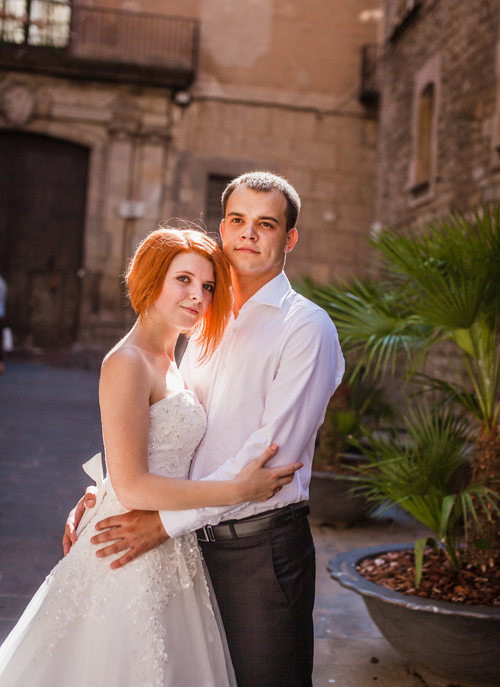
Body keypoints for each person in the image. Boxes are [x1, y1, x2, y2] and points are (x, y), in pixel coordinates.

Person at [66, 172, 345, 687]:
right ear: (223, 229)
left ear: (290, 239)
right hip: (187, 553)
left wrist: (161, 523)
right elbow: (167, 427)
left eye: (266, 224)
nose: (249, 234)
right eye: (238, 220)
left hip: (257, 551)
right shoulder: (201, 323)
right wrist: (111, 493)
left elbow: (268, 458)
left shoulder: (305, 328)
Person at [0, 228, 302, 687]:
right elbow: (134, 485)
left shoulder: (175, 359)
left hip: (172, 542)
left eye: (207, 286)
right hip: (126, 547)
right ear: (150, 279)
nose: (198, 295)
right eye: (183, 279)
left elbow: (150, 453)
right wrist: (237, 490)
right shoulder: (127, 362)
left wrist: (99, 488)